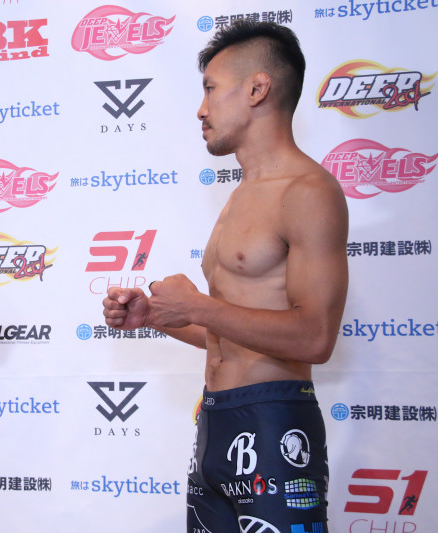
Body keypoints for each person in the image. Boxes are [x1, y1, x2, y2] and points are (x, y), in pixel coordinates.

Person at [103, 20, 348, 533]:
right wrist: (158, 316)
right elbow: (230, 333)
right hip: (215, 423)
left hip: (275, 426)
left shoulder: (308, 192)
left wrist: (197, 305)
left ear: (257, 89)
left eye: (211, 89)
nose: (201, 109)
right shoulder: (239, 195)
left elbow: (315, 337)